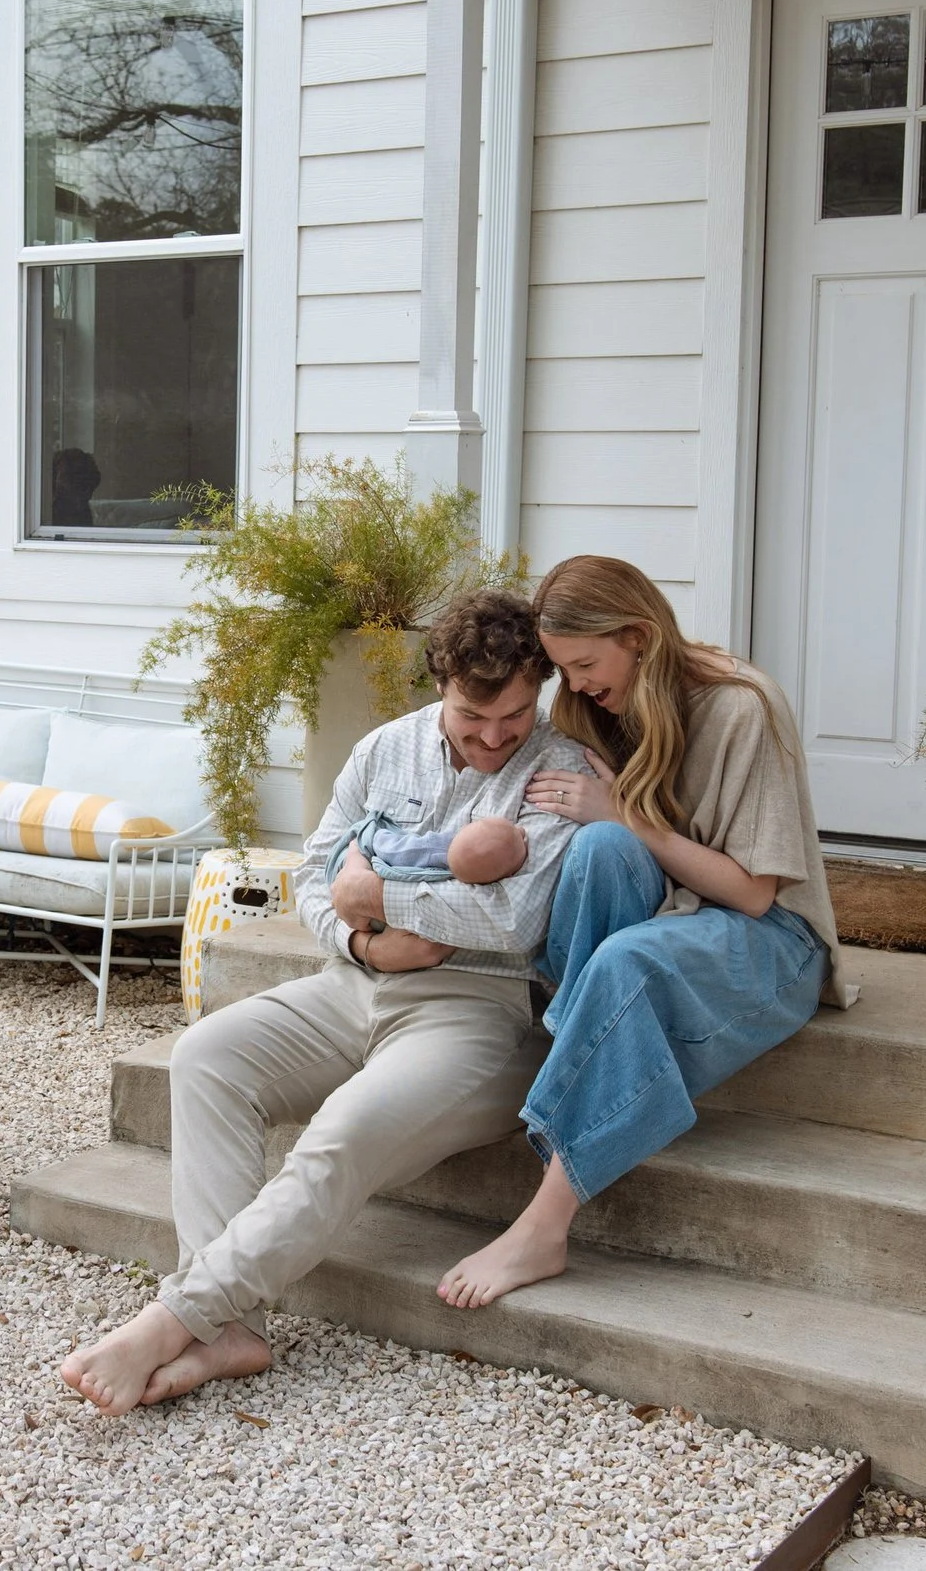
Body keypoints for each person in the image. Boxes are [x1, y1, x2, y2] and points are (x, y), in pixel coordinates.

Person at [60, 591, 593, 1415]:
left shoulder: (563, 773)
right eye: (471, 717)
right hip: (352, 982)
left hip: (478, 1009)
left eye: (515, 716)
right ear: (439, 685)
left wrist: (374, 892)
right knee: (205, 1057)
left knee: (341, 1130)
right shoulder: (386, 749)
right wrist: (362, 942)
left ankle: (177, 1318)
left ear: (541, 691)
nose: (494, 738)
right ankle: (232, 1328)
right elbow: (313, 877)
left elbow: (514, 918)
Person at [436, 555, 853, 1310]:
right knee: (598, 851)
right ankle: (586, 1068)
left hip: (770, 943)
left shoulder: (741, 706)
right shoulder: (594, 705)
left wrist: (623, 813)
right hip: (676, 909)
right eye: (564, 671)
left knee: (628, 948)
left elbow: (755, 897)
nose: (580, 685)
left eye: (587, 664)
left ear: (637, 636)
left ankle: (544, 1224)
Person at [327, 812, 529, 886]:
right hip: (360, 862)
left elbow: (393, 849)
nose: (521, 830)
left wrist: (369, 836)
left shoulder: (432, 850)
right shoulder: (460, 848)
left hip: (376, 853)